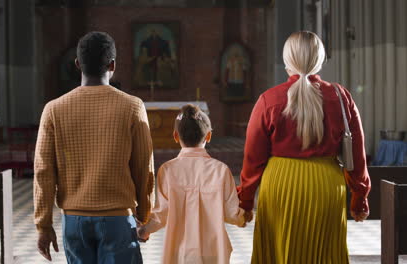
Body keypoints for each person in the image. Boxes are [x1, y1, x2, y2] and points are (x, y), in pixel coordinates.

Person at [238, 31, 371, 263]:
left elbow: (253, 159)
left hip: (280, 186)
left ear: (287, 60)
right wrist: (359, 198)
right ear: (320, 59)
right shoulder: (341, 97)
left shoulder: (269, 100)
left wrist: (245, 202)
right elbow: (356, 155)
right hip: (326, 186)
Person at [34, 31, 155, 263]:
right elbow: (143, 167)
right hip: (118, 218)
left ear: (78, 64)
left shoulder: (54, 109)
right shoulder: (132, 107)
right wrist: (143, 214)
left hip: (74, 220)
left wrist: (43, 225)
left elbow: (43, 172)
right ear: (113, 64)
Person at [137, 104, 247, 264]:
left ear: (175, 136)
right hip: (214, 252)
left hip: (178, 252)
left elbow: (161, 215)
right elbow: (231, 214)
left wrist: (144, 231)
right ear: (208, 136)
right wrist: (244, 218)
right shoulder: (221, 170)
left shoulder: (167, 170)